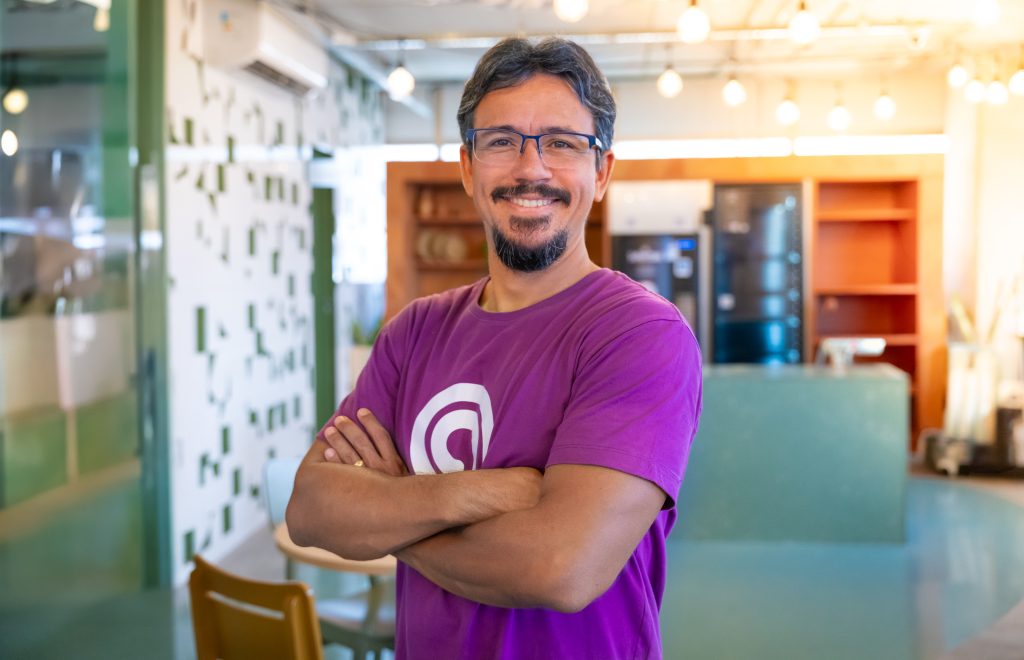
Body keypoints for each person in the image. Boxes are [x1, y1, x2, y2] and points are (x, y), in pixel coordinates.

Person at [287, 36, 703, 659]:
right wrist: (486, 491)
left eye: (562, 143)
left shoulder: (638, 335)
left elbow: (561, 568)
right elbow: (313, 508)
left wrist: (391, 509)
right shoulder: (415, 331)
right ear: (466, 167)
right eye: (501, 141)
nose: (530, 169)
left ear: (602, 171)